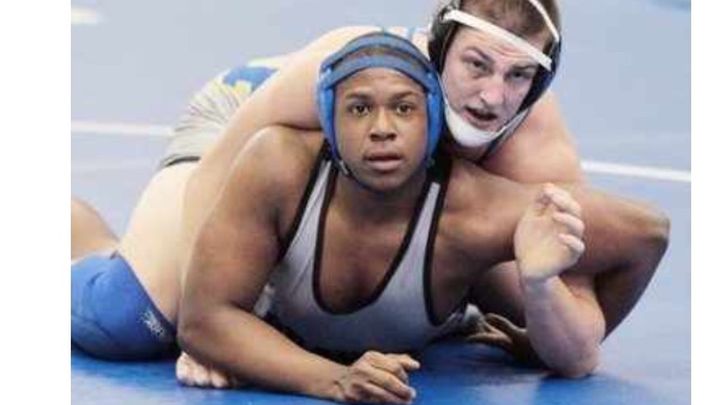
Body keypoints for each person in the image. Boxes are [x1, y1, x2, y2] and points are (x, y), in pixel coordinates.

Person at [70, 0, 668, 366]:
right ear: (440, 48)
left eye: (518, 77)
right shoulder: (354, 69)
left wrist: (543, 308)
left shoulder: (535, 144)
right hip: (243, 126)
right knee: (133, 320)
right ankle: (75, 232)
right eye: (476, 65)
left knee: (522, 272)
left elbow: (581, 322)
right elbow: (221, 166)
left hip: (386, 202)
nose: (492, 96)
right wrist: (210, 326)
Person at [177, 32, 650, 404]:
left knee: (520, 281)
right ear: (328, 122)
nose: (382, 129)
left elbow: (647, 234)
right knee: (135, 322)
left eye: (404, 109)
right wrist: (332, 379)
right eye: (359, 110)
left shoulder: (477, 209)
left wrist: (539, 338)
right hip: (236, 106)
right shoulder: (276, 163)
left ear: (432, 122)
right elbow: (203, 320)